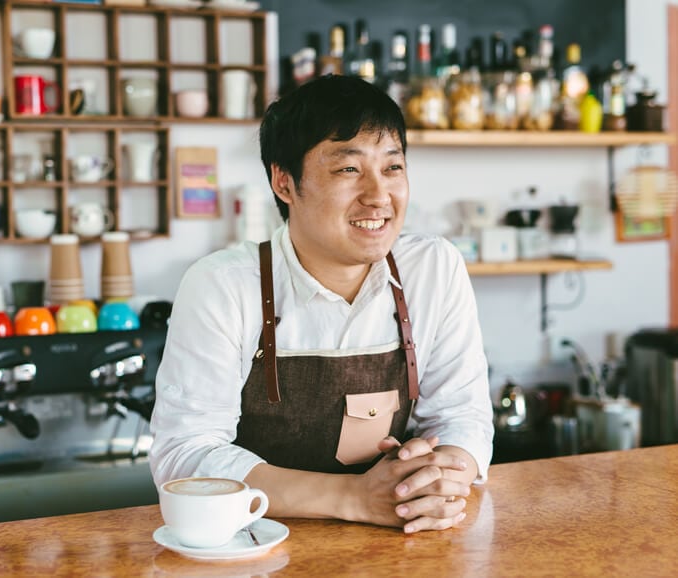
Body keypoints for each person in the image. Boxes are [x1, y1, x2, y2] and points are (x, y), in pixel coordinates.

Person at [149, 74, 493, 534]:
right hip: (258, 548)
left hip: (403, 542)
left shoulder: (432, 269)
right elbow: (185, 456)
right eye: (348, 169)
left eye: (392, 167)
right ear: (284, 182)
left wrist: (440, 476)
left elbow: (460, 416)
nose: (378, 195)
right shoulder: (223, 285)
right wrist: (353, 498)